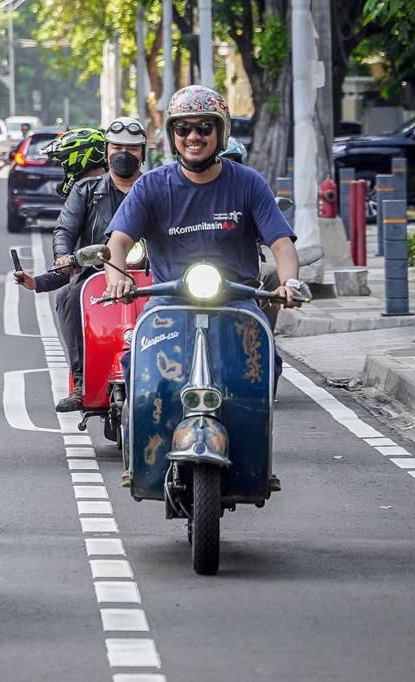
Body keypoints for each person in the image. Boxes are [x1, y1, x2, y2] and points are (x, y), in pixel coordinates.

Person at [103, 85, 300, 485]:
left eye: (204, 128)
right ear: (173, 135)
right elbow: (118, 242)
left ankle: (255, 464)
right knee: (137, 369)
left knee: (263, 367)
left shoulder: (247, 183)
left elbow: (281, 242)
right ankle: (139, 458)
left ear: (220, 133)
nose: (194, 136)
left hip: (237, 301)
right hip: (168, 304)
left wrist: (290, 280)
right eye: (184, 128)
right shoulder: (152, 185)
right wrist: (117, 277)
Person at [15, 120, 147, 412]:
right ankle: (81, 382)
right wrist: (62, 257)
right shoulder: (87, 190)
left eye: (132, 148)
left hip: (153, 275)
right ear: (106, 150)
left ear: (143, 152)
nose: (124, 153)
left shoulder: (158, 186)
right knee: (68, 298)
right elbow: (64, 230)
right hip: (94, 276)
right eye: (117, 147)